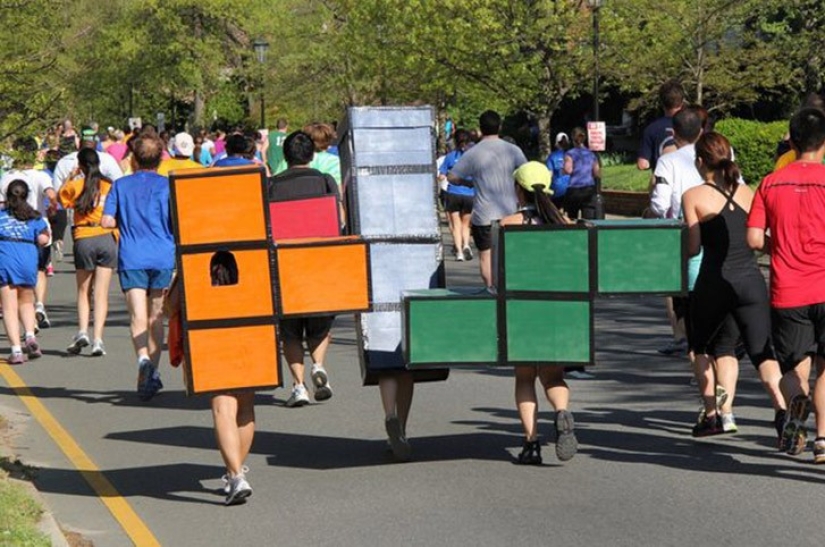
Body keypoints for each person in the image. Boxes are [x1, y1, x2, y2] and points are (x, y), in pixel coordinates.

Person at [681, 132, 786, 438]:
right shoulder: (748, 192)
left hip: (714, 283)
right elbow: (759, 238)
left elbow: (693, 248)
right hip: (751, 282)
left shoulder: (693, 196)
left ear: (700, 162)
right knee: (760, 351)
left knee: (700, 347)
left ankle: (714, 415)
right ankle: (783, 409)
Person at [747, 107, 825, 462]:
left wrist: (777, 243)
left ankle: (796, 399)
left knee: (794, 368)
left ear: (791, 142)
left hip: (789, 289)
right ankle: (822, 440)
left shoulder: (769, 183)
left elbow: (753, 239)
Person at [499, 162, 576, 464]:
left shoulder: (508, 224)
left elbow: (497, 273)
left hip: (522, 309)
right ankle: (562, 412)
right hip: (558, 309)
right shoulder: (565, 224)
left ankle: (531, 442)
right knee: (553, 375)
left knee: (524, 377)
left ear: (519, 190)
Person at [166, 253, 255, 505]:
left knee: (222, 407)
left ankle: (236, 476)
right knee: (245, 407)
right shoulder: (252, 257)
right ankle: (235, 472)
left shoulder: (195, 256)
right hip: (250, 334)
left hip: (210, 337)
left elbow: (171, 306)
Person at [267, 131, 341, 407]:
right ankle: (318, 365)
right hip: (320, 264)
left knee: (290, 331)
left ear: (285, 156)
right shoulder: (324, 181)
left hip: (285, 267)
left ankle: (299, 386)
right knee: (320, 325)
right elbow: (339, 221)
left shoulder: (271, 186)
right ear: (311, 155)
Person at [101, 134, 175, 401]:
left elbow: (107, 221)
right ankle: (152, 370)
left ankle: (143, 359)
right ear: (160, 159)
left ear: (133, 158)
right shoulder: (168, 186)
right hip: (163, 255)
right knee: (157, 315)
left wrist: (122, 218)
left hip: (132, 256)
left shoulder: (120, 186)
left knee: (137, 315)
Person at [447, 110, 527, 289]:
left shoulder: (474, 152)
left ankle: (492, 291)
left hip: (484, 215)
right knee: (509, 256)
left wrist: (468, 182)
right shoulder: (513, 150)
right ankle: (508, 290)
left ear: (480, 128)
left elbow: (452, 177)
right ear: (500, 127)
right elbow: (527, 172)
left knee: (486, 257)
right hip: (510, 214)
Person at [649, 107, 705, 358]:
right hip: (715, 225)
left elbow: (660, 204)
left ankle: (685, 338)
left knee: (681, 290)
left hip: (680, 230)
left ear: (673, 133)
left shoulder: (667, 161)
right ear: (701, 131)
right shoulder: (719, 153)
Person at [58, 148, 118, 356]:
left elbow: (62, 198)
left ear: (81, 165)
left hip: (84, 237)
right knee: (101, 294)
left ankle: (83, 331)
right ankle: (98, 339)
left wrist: (71, 176)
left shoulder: (77, 185)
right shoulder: (109, 185)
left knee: (84, 291)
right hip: (106, 237)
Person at [0, 137, 58, 332]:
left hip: (12, 232)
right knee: (40, 269)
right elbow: (51, 195)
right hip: (38, 228)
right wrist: (52, 208)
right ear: (34, 154)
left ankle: (28, 321)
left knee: (16, 281)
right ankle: (39, 304)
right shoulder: (41, 176)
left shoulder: (7, 177)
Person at [0, 180, 50, 364]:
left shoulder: (1, 215)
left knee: (9, 307)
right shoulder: (34, 216)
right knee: (27, 302)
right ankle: (30, 335)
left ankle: (16, 350)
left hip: (6, 258)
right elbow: (43, 239)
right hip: (28, 258)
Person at [438, 129, 474, 261]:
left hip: (453, 193)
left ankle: (459, 252)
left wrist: (443, 178)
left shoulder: (450, 156)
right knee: (466, 224)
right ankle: (466, 245)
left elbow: (441, 176)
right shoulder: (473, 158)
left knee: (456, 224)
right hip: (470, 193)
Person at [637, 80, 686, 175]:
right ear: (682, 102)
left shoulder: (651, 129)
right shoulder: (693, 125)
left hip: (662, 180)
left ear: (661, 103)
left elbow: (642, 164)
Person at [562, 127, 600, 220]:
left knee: (572, 218)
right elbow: (596, 172)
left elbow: (568, 170)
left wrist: (562, 171)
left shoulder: (570, 154)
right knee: (588, 219)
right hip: (588, 189)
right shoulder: (591, 154)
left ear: (572, 139)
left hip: (574, 190)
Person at [546, 132, 570, 209]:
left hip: (556, 190)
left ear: (556, 143)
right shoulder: (571, 155)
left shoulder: (552, 156)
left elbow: (549, 175)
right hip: (570, 189)